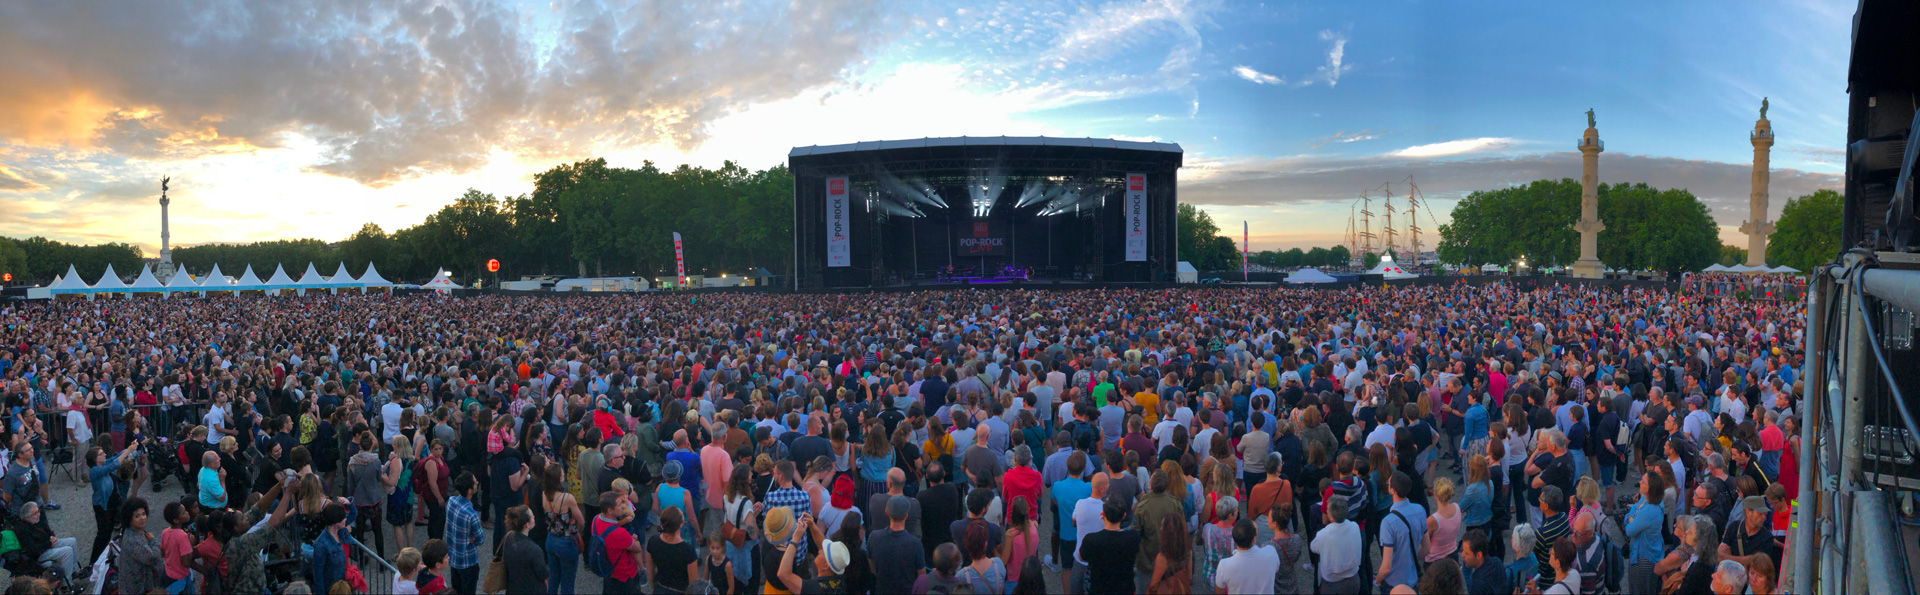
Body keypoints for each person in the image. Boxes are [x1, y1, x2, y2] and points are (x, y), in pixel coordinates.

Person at [1079, 496, 1140, 595]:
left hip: (1099, 589)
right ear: (1124, 516)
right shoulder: (1133, 537)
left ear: (1103, 514)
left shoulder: (1091, 539)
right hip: (1125, 589)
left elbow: (1081, 557)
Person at [1378, 471, 1427, 592]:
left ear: (1392, 490)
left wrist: (1378, 579)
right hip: (1412, 578)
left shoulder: (1388, 522)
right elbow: (1426, 549)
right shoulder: (1420, 510)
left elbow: (1386, 568)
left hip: (1393, 583)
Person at [542, 462, 586, 595]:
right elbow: (581, 521)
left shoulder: (544, 494)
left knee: (553, 577)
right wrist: (574, 524)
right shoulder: (568, 498)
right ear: (558, 478)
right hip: (566, 541)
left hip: (551, 539)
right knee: (568, 581)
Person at [871, 495, 927, 595]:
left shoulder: (874, 537)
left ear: (886, 512)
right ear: (906, 515)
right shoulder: (915, 543)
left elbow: (872, 568)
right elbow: (921, 576)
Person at [594, 491, 645, 594]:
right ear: (610, 510)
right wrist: (634, 540)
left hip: (609, 571)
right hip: (625, 574)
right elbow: (637, 548)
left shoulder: (596, 519)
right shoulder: (619, 533)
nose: (622, 506)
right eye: (619, 505)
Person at [1311, 494, 1363, 594]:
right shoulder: (1354, 527)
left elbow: (1314, 547)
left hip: (1332, 584)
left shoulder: (1323, 534)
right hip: (1353, 579)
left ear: (1330, 516)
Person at [1213, 517, 1279, 595]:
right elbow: (1275, 569)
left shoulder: (1224, 565)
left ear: (1235, 540)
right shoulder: (1271, 552)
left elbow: (1219, 591)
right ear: (1254, 539)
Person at [444, 472, 485, 595]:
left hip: (453, 557)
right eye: (475, 482)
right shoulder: (471, 515)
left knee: (456, 590)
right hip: (468, 561)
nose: (477, 483)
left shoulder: (451, 501)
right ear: (469, 490)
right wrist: (472, 538)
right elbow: (481, 539)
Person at [647, 506, 699, 595]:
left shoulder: (653, 541)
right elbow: (694, 583)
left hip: (660, 588)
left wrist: (653, 588)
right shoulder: (687, 550)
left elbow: (650, 570)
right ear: (681, 524)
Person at [1146, 513, 1190, 595]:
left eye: (1162, 526)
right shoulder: (1188, 552)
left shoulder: (1162, 558)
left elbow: (1153, 587)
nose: (1160, 529)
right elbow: (1189, 577)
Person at [1461, 529, 1508, 595]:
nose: (1462, 555)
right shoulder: (1497, 562)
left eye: (1466, 553)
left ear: (1478, 555)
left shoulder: (1478, 585)